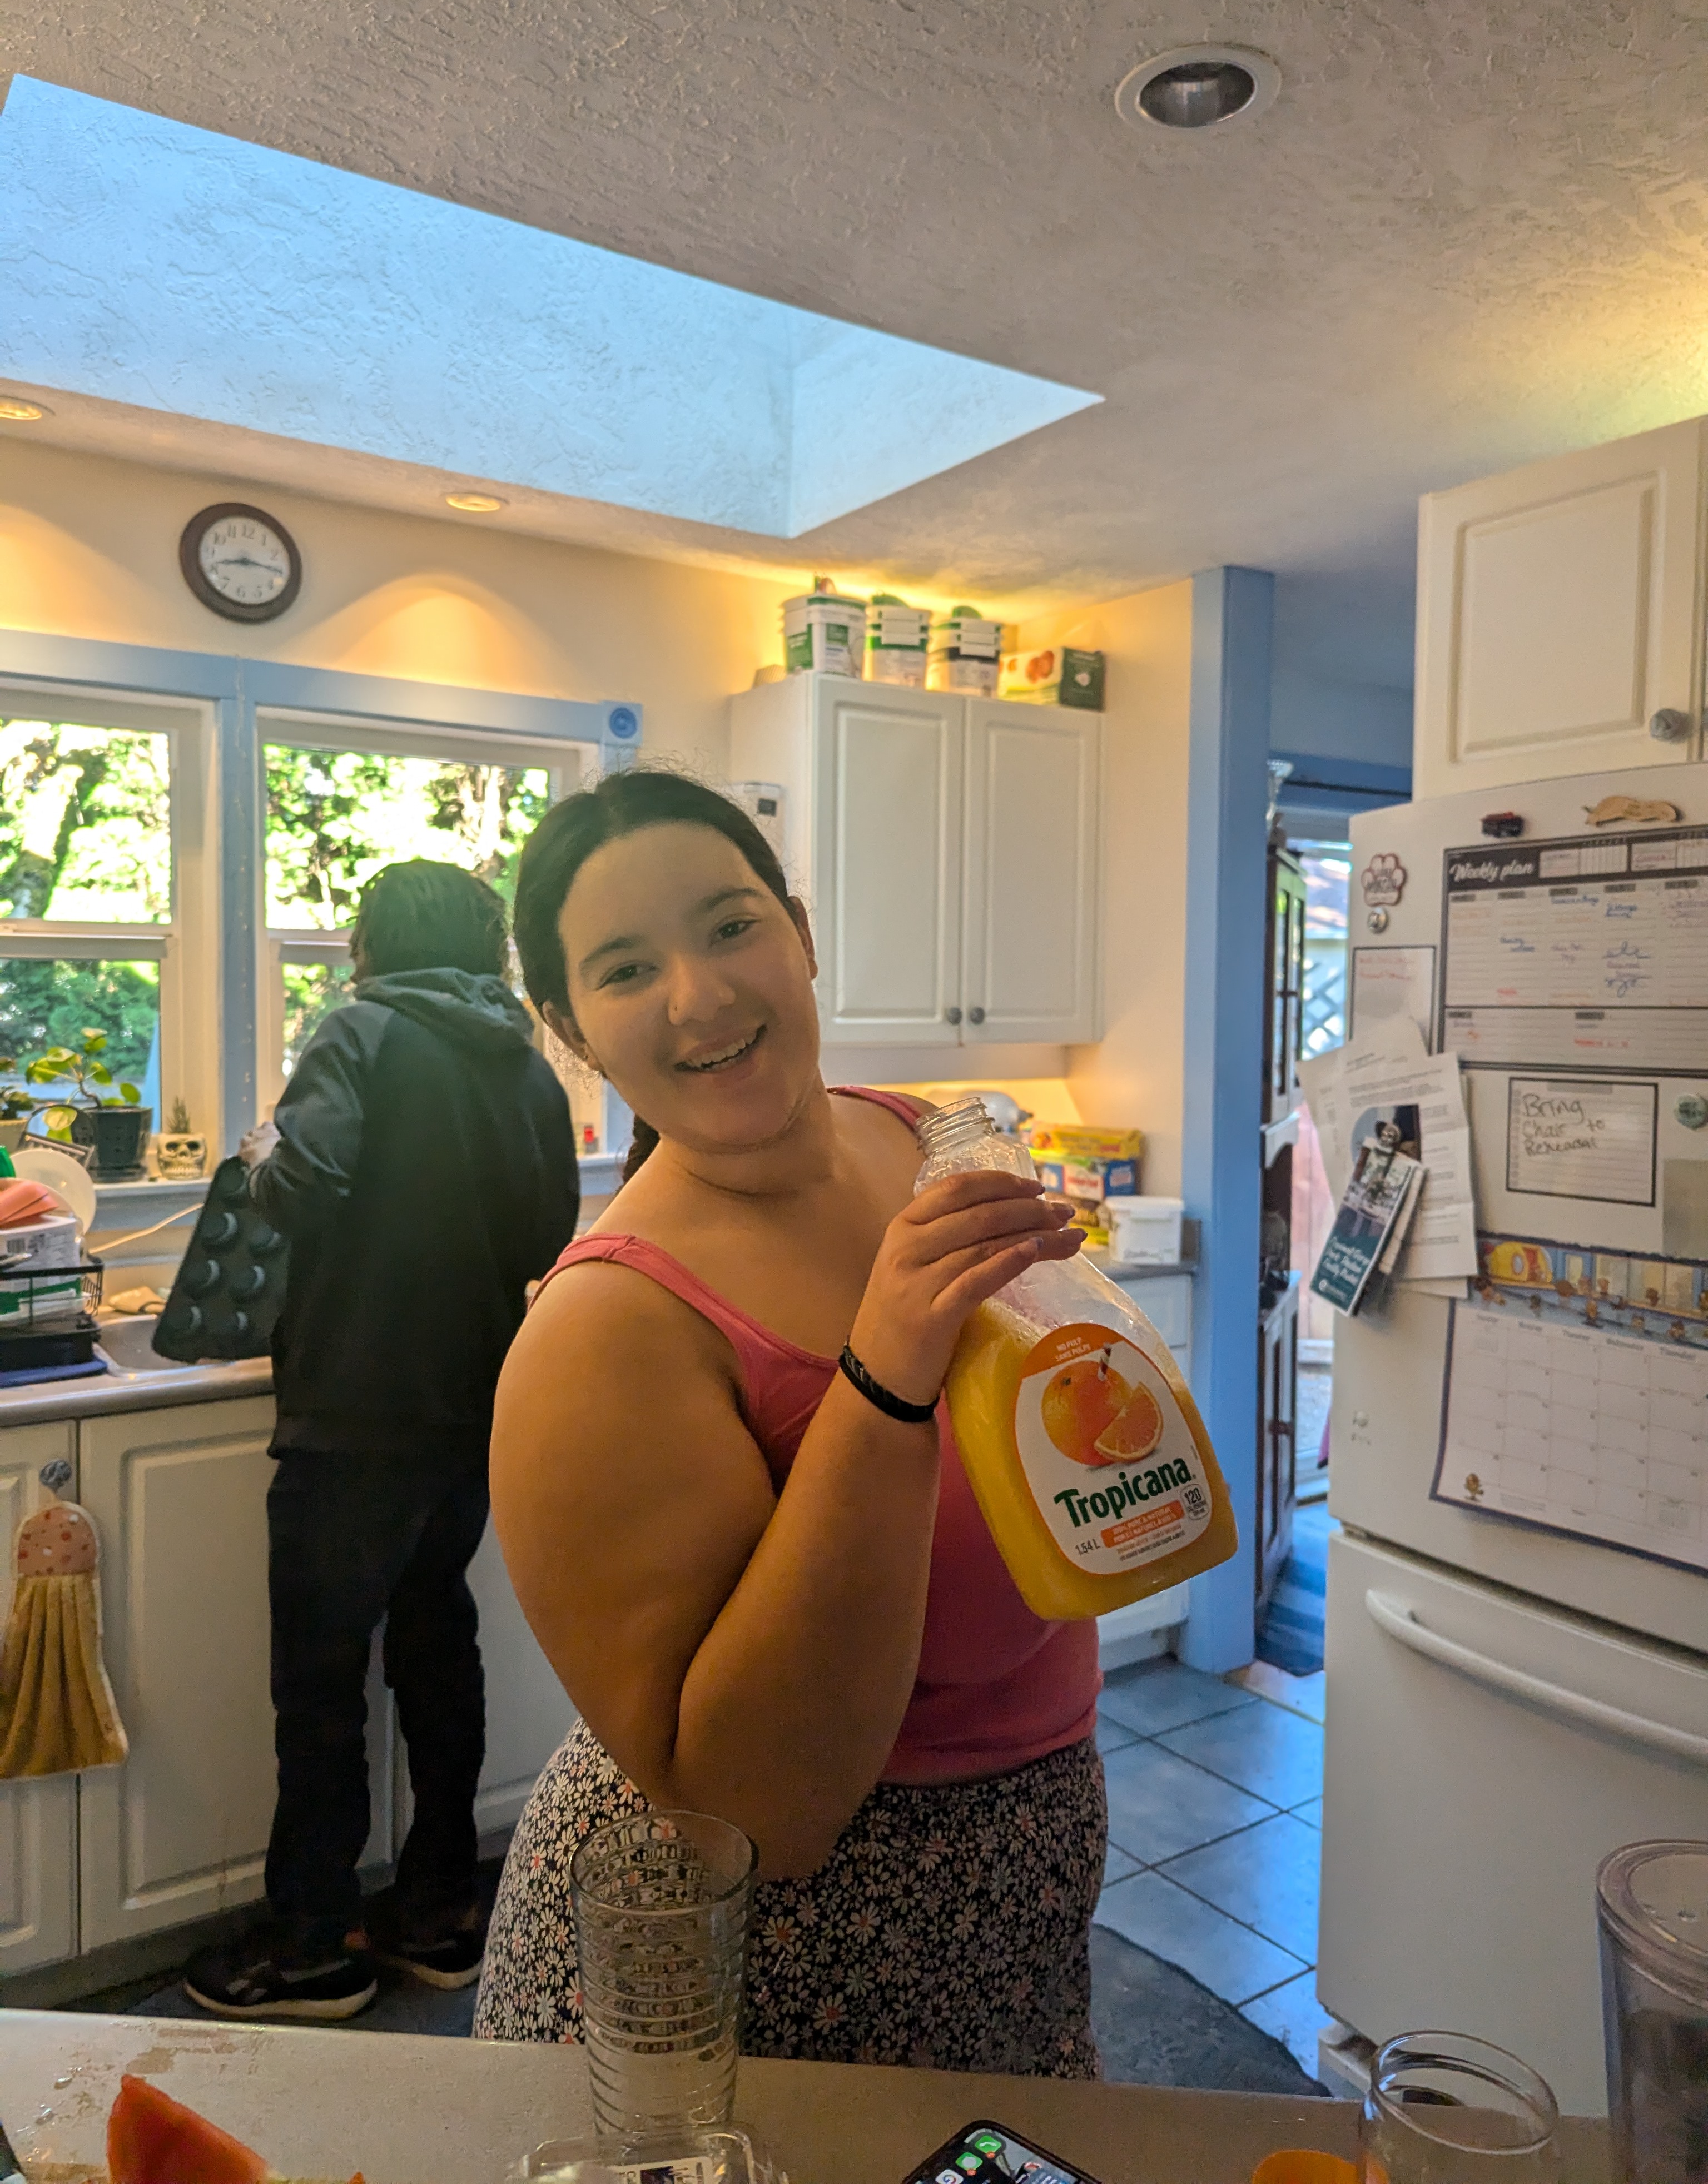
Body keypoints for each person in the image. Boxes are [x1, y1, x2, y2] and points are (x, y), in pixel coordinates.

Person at [473, 771, 1105, 2076]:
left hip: (1022, 1907)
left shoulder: (926, 1145)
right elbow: (756, 1811)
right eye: (627, 968)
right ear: (572, 1027)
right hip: (756, 1972)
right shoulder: (603, 1331)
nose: (700, 996)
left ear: (801, 935)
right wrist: (882, 1379)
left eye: (730, 926)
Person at [185, 859, 578, 2021]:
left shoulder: (357, 1034)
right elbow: (548, 1228)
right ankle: (441, 1911)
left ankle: (314, 1946)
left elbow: (302, 1184)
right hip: (474, 1404)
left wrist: (260, 1152)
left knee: (320, 1685)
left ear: (372, 945)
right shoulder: (521, 1058)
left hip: (354, 1410)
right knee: (436, 1648)